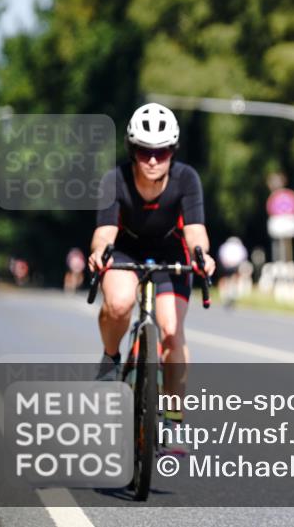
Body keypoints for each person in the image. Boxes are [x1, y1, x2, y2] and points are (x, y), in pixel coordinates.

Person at [87, 103, 215, 452]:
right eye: (145, 151)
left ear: (172, 151)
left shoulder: (186, 179)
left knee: (172, 332)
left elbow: (195, 230)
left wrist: (203, 256)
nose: (153, 160)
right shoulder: (115, 179)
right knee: (118, 303)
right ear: (133, 150)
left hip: (171, 254)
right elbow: (105, 232)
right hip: (125, 250)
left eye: (161, 151)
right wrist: (100, 253)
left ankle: (173, 421)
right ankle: (111, 358)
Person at [217, 236, 248, 307]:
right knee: (232, 279)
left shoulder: (225, 246)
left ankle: (228, 294)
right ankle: (230, 294)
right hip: (233, 265)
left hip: (226, 264)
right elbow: (243, 257)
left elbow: (220, 254)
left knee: (226, 279)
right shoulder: (239, 248)